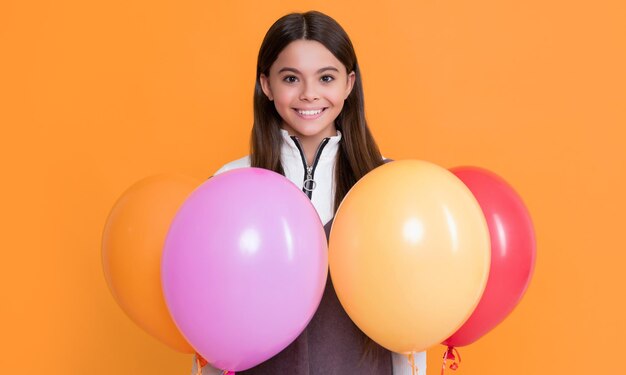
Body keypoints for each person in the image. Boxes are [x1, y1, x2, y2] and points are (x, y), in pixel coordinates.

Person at [191, 11, 427, 375]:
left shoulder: (386, 185)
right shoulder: (228, 184)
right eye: (290, 78)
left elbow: (410, 324)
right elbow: (208, 324)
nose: (309, 94)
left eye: (326, 78)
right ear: (266, 85)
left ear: (349, 84)